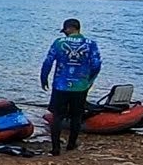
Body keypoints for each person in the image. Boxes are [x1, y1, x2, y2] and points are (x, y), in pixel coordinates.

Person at [40, 19, 102, 156]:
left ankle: (55, 148)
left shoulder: (59, 43)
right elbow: (96, 65)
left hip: (60, 85)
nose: (65, 34)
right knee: (76, 116)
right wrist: (89, 80)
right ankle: (71, 145)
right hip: (80, 86)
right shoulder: (91, 44)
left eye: (65, 31)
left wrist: (44, 78)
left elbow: (48, 61)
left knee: (57, 116)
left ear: (69, 28)